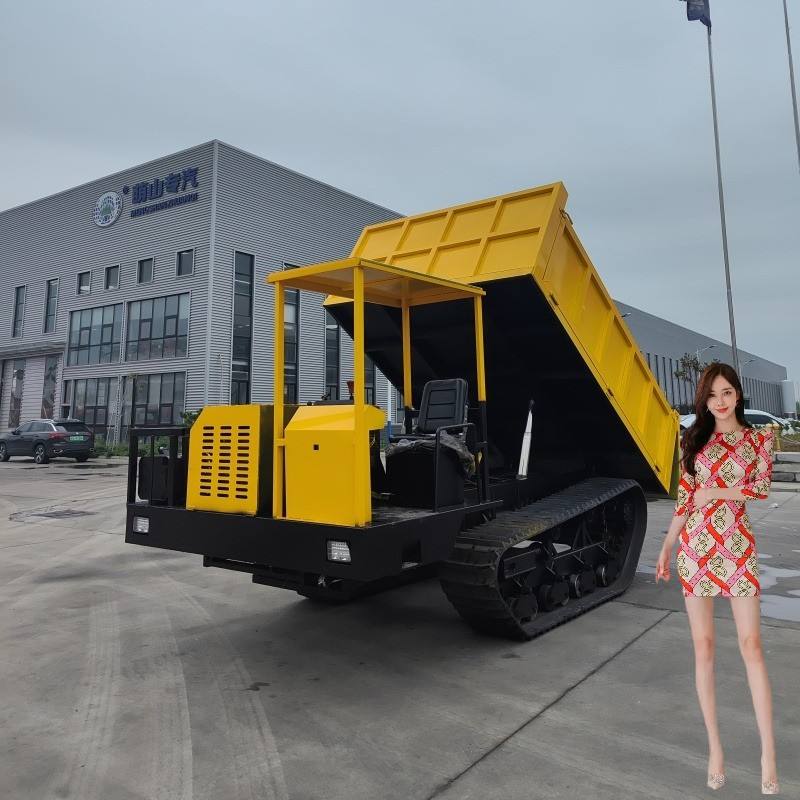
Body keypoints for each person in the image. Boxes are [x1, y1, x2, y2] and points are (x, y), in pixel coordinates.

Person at [655, 362, 778, 795]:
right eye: (711, 395)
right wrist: (667, 545)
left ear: (738, 394)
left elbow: (761, 487)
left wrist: (718, 491)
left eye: (726, 392)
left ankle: (767, 754)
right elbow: (686, 499)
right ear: (703, 401)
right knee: (703, 647)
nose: (720, 401)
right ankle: (715, 750)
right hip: (696, 549)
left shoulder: (759, 439)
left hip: (738, 548)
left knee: (752, 645)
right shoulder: (693, 439)